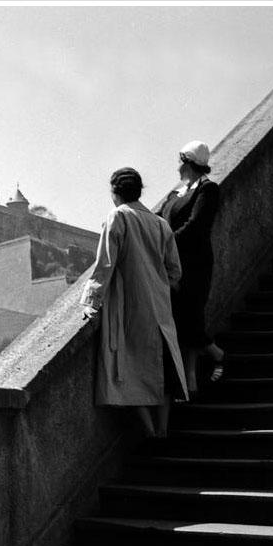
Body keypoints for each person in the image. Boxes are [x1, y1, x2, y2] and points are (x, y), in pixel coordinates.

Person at [80, 166, 187, 439]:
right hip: (161, 310)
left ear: (115, 192)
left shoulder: (118, 217)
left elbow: (104, 265)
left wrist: (91, 301)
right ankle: (162, 431)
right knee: (162, 372)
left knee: (129, 369)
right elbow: (175, 272)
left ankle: (151, 433)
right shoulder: (160, 224)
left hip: (129, 307)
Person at [157, 140, 226, 394]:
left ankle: (217, 354)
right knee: (182, 320)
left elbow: (197, 225)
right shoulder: (176, 193)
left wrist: (165, 243)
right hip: (173, 265)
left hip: (194, 266)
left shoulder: (208, 190)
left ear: (187, 162)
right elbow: (159, 221)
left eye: (180, 160)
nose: (177, 166)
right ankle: (191, 381)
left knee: (189, 318)